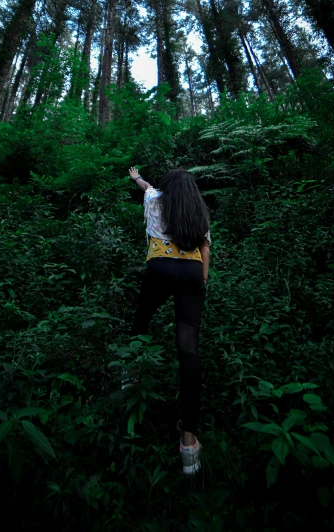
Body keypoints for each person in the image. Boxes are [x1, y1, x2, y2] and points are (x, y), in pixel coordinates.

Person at [126, 166, 211, 475]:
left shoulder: (155, 200)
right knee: (188, 348)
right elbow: (205, 247)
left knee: (141, 320)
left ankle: (130, 376)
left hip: (160, 268)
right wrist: (202, 282)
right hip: (191, 273)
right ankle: (189, 443)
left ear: (166, 189)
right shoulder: (197, 209)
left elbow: (146, 187)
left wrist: (136, 177)